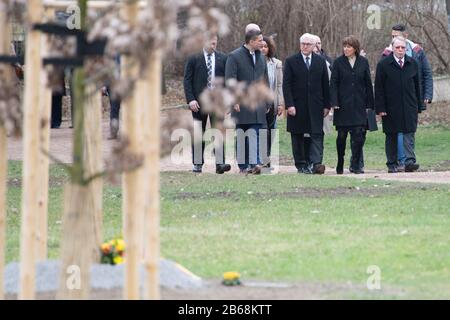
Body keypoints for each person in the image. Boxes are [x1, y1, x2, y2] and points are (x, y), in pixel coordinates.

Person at [382, 24, 433, 171]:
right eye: (392, 36)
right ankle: (399, 161)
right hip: (393, 101)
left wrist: (426, 95)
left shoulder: (417, 52)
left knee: (409, 130)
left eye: (396, 35)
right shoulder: (387, 53)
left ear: (406, 36)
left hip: (410, 98)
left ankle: (409, 161)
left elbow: (426, 74)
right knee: (395, 132)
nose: (394, 39)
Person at [283, 33, 331, 175]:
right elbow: (287, 85)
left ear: (314, 46)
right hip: (297, 106)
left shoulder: (320, 61)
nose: (305, 46)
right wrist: (289, 105)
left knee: (316, 134)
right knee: (298, 135)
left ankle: (315, 163)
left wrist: (327, 105)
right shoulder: (291, 61)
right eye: (303, 43)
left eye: (308, 44)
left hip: (316, 105)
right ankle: (301, 164)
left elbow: (325, 85)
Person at [183, 34, 231, 174]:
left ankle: (220, 163)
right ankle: (197, 163)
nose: (213, 44)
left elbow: (228, 82)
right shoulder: (194, 58)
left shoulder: (223, 58)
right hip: (198, 102)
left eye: (215, 42)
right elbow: (187, 80)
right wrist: (191, 99)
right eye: (211, 41)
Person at [375, 36, 422, 173]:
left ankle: (409, 161)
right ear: (392, 48)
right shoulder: (383, 64)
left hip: (409, 105)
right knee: (391, 134)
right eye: (397, 47)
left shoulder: (413, 63)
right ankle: (392, 163)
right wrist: (380, 108)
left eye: (403, 48)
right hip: (390, 106)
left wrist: (419, 105)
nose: (400, 50)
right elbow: (379, 88)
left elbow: (417, 86)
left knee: (409, 133)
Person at [225, 29, 268, 175]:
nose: (263, 43)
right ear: (251, 41)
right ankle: (243, 166)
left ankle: (254, 163)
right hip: (241, 104)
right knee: (242, 134)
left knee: (254, 132)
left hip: (257, 104)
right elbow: (230, 80)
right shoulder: (234, 56)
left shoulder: (261, 57)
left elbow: (265, 80)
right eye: (260, 40)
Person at [330, 36, 374, 174]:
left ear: (355, 48)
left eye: (349, 46)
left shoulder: (363, 62)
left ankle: (355, 164)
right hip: (343, 105)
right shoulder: (338, 62)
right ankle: (340, 161)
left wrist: (370, 104)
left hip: (359, 105)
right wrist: (334, 102)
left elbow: (368, 83)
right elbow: (333, 84)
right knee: (342, 136)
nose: (346, 49)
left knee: (359, 136)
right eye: (344, 46)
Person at [260, 36, 284, 168]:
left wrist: (280, 103)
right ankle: (261, 157)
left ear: (269, 48)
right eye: (261, 46)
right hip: (258, 102)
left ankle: (268, 157)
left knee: (271, 130)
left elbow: (280, 85)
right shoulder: (255, 62)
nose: (263, 49)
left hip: (272, 102)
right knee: (261, 130)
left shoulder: (276, 63)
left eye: (265, 46)